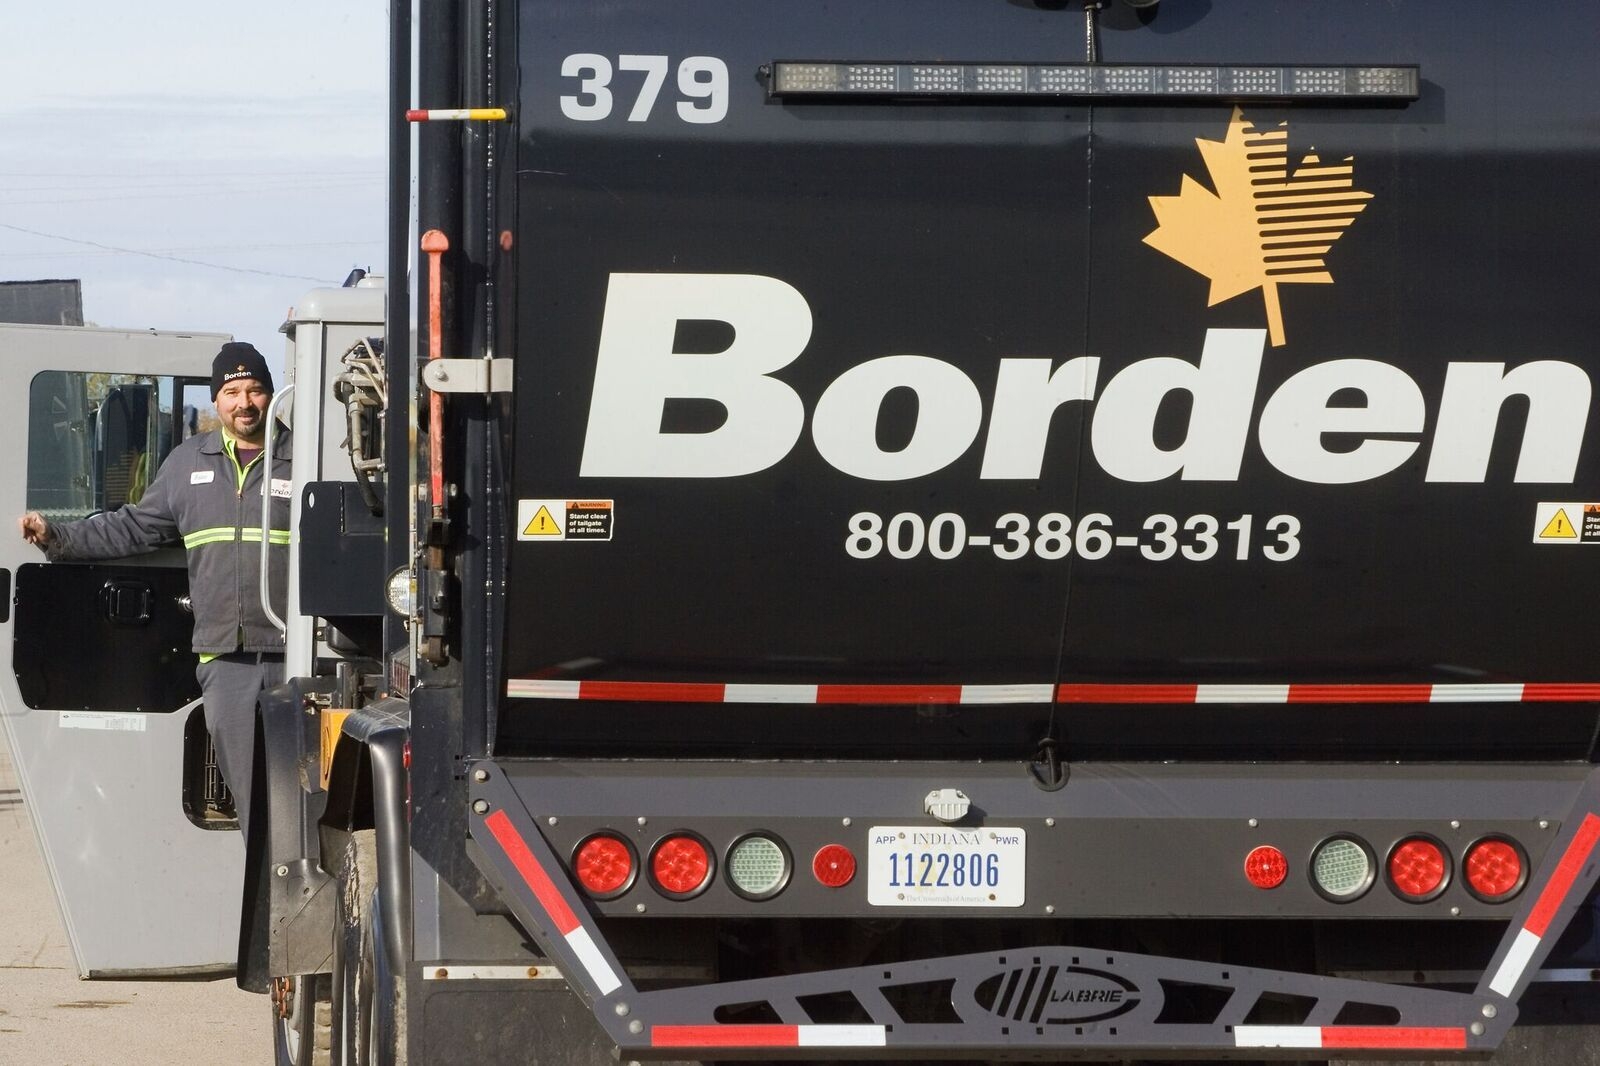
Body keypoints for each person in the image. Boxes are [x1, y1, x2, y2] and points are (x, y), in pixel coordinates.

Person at [18, 342, 291, 833]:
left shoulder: (305, 458)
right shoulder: (188, 463)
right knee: (252, 800)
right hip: (224, 661)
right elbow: (133, 527)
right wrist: (57, 536)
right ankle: (275, 904)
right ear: (216, 399)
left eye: (254, 390)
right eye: (232, 391)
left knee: (306, 793)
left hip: (299, 659)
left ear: (272, 395)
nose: (244, 403)